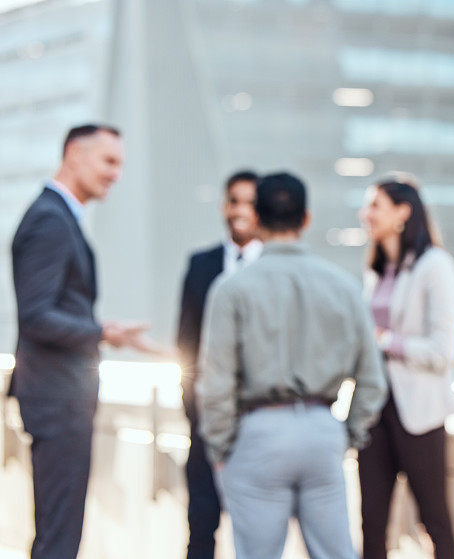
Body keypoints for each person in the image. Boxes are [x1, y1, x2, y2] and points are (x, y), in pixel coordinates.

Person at [196, 172, 387, 559]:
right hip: (321, 430)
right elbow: (372, 380)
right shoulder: (343, 287)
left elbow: (214, 382)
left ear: (258, 219)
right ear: (306, 219)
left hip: (258, 432)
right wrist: (345, 435)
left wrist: (221, 447)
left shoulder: (232, 288)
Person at [9, 124, 160, 559]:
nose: (116, 174)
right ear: (74, 153)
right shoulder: (50, 220)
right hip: (56, 398)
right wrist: (102, 333)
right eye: (109, 161)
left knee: (59, 528)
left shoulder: (56, 216)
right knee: (59, 534)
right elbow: (35, 316)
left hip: (58, 395)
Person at [357, 176, 454, 559]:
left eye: (374, 205)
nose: (365, 214)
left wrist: (385, 340)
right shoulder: (377, 269)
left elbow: (443, 351)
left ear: (402, 212)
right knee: (371, 521)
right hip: (375, 409)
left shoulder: (435, 266)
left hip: (418, 411)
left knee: (433, 519)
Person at [176, 170, 261, 559]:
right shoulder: (201, 264)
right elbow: (186, 344)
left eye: (249, 201)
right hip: (207, 424)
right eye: (233, 200)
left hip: (260, 426)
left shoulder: (277, 268)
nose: (239, 210)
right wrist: (194, 410)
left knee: (256, 535)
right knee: (201, 527)